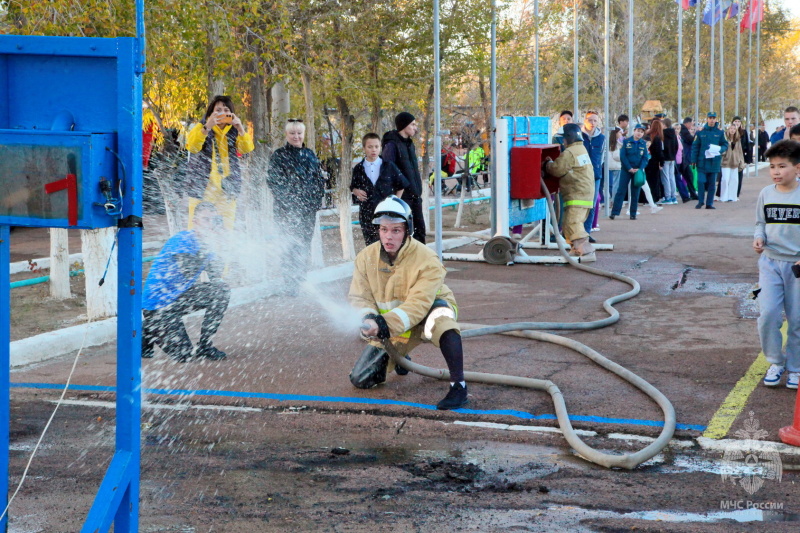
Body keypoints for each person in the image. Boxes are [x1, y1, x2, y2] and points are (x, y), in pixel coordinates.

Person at [348, 196, 469, 410]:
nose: (388, 236)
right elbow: (360, 297)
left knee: (442, 323)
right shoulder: (366, 258)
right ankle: (401, 355)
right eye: (384, 229)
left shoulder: (427, 260)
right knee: (361, 379)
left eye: (396, 230)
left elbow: (418, 304)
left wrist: (384, 324)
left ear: (407, 230)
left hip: (427, 311)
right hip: (392, 324)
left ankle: (458, 386)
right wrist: (367, 318)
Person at [142, 202, 230, 362]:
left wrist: (220, 247)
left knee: (221, 290)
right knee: (185, 357)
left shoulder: (209, 245)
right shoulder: (182, 239)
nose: (210, 224)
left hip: (177, 300)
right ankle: (147, 329)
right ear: (195, 222)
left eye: (214, 220)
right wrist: (208, 245)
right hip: (157, 307)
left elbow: (215, 277)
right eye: (206, 219)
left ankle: (205, 346)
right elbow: (188, 269)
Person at [754, 140, 800, 389]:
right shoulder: (766, 193)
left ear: (798, 168)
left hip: (797, 267)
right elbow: (760, 223)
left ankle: (796, 367)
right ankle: (775, 361)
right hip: (770, 263)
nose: (776, 172)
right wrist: (758, 238)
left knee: (798, 319)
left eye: (782, 166)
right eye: (772, 166)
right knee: (768, 314)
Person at [266, 119, 326, 295]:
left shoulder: (310, 154)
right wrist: (291, 204)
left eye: (299, 133)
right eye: (292, 133)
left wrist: (314, 203)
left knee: (304, 245)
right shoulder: (279, 156)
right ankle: (289, 284)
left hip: (307, 211)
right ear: (287, 135)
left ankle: (300, 280)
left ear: (303, 134)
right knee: (288, 246)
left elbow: (318, 181)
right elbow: (274, 182)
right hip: (286, 212)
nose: (296, 136)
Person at [186, 95, 254, 230]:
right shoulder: (201, 126)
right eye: (218, 110)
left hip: (227, 188)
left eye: (226, 109)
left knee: (225, 230)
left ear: (231, 113)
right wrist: (207, 127)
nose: (222, 112)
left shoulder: (234, 130)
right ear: (211, 113)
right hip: (203, 186)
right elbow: (192, 147)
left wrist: (240, 128)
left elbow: (246, 149)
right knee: (197, 228)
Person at [545, 123, 596, 261]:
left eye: (564, 138)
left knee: (572, 224)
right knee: (571, 223)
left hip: (576, 195)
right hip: (585, 195)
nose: (563, 141)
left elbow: (557, 169)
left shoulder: (569, 152)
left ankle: (586, 251)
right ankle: (576, 249)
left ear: (569, 137)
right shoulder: (581, 149)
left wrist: (547, 164)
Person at [350, 133, 409, 246]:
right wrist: (356, 191)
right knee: (370, 244)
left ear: (380, 147)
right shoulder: (358, 168)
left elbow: (402, 184)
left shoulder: (388, 166)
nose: (373, 150)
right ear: (364, 148)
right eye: (370, 147)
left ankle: (387, 263)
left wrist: (394, 202)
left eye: (376, 147)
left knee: (387, 242)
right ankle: (374, 264)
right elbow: (353, 186)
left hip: (386, 213)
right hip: (366, 212)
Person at [382, 112, 426, 243]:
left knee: (420, 232)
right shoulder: (391, 145)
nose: (415, 127)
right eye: (412, 124)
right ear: (404, 125)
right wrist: (397, 193)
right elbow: (389, 171)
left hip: (415, 195)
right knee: (402, 233)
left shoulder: (409, 144)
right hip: (402, 197)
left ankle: (420, 262)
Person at [610, 124, 649, 221]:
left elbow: (645, 157)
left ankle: (633, 213)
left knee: (635, 192)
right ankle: (614, 212)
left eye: (641, 132)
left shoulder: (643, 144)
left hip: (638, 171)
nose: (639, 133)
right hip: (626, 170)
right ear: (634, 131)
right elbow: (623, 156)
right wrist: (629, 168)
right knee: (621, 191)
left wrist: (640, 168)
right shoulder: (626, 141)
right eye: (638, 131)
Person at [691, 112, 728, 209]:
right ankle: (700, 201)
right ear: (707, 119)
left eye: (713, 118)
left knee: (712, 184)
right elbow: (695, 146)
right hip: (702, 161)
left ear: (716, 119)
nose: (712, 120)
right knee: (701, 181)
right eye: (710, 118)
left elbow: (725, 144)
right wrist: (693, 160)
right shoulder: (700, 133)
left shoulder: (720, 133)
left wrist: (720, 149)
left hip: (714, 161)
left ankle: (709, 203)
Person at [581, 111, 605, 236]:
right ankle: (576, 231)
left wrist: (597, 169)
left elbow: (602, 156)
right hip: (580, 175)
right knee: (579, 203)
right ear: (585, 120)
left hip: (595, 175)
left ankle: (587, 232)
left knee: (592, 203)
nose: (592, 123)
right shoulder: (578, 135)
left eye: (595, 120)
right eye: (590, 120)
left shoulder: (601, 138)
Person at [720, 123, 745, 202]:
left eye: (734, 129)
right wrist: (723, 155)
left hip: (735, 163)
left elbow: (740, 152)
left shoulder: (738, 140)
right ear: (728, 129)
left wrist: (741, 161)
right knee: (725, 179)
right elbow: (722, 149)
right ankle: (724, 196)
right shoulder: (724, 139)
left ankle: (732, 196)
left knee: (734, 180)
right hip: (726, 162)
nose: (732, 130)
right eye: (731, 128)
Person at [645, 119, 667, 204]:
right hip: (654, 162)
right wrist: (661, 162)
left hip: (648, 161)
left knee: (648, 181)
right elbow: (659, 152)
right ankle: (653, 199)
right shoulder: (657, 138)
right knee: (654, 181)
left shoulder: (648, 136)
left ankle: (647, 199)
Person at [679, 118, 699, 200]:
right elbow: (692, 140)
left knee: (688, 176)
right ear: (687, 123)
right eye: (691, 124)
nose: (692, 126)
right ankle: (689, 194)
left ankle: (692, 194)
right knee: (686, 176)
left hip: (684, 157)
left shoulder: (684, 130)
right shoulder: (684, 131)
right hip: (683, 157)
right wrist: (697, 133)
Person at [661, 119, 680, 204]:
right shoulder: (674, 134)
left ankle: (668, 197)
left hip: (665, 158)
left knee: (665, 178)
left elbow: (662, 147)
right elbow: (676, 146)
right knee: (672, 177)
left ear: (664, 125)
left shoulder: (662, 134)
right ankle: (673, 197)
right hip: (672, 158)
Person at [608, 127, 623, 199]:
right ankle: (614, 200)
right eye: (620, 132)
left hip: (610, 166)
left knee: (611, 184)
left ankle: (612, 199)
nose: (621, 134)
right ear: (616, 133)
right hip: (617, 166)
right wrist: (624, 158)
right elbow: (617, 156)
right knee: (616, 184)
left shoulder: (609, 142)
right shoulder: (617, 143)